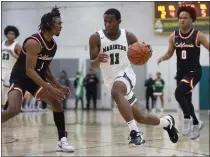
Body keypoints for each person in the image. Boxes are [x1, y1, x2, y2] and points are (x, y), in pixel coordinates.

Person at [89, 8, 179, 145]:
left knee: (116, 90)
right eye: (105, 21)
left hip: (126, 74)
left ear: (119, 21)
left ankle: (135, 133)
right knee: (140, 117)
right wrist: (97, 60)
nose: (107, 24)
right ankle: (167, 122)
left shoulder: (128, 36)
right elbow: (93, 64)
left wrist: (146, 51)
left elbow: (141, 54)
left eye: (110, 21)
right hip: (110, 80)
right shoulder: (96, 38)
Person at [1, 6, 74, 152]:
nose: (61, 26)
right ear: (49, 25)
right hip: (20, 77)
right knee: (14, 109)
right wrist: (49, 87)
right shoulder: (33, 42)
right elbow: (29, 70)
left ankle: (62, 141)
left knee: (56, 102)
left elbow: (45, 69)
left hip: (35, 78)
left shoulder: (52, 45)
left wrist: (58, 86)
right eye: (59, 24)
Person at [157, 5, 209, 139]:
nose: (182, 20)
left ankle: (187, 120)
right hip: (180, 72)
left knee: (178, 93)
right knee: (186, 101)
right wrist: (163, 57)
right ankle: (197, 124)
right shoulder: (173, 36)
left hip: (194, 71)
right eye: (180, 18)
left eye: (185, 18)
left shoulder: (199, 36)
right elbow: (169, 53)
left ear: (192, 19)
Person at [2, 25, 21, 109]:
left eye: (13, 34)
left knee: (5, 91)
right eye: (9, 33)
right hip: (1, 68)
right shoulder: (1, 43)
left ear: (15, 36)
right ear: (6, 34)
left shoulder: (17, 46)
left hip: (10, 70)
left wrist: (13, 54)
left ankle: (3, 108)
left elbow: (23, 59)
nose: (11, 35)